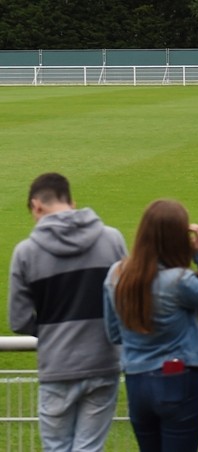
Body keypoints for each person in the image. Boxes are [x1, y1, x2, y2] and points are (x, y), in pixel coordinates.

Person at [8, 172, 127, 452]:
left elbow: (19, 320)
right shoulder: (112, 240)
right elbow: (127, 303)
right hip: (103, 361)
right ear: (71, 202)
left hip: (58, 364)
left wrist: (52, 333)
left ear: (36, 206)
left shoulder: (25, 252)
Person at [103, 200, 198, 452]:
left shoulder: (117, 275)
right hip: (178, 379)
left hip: (137, 382)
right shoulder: (180, 281)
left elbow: (114, 333)